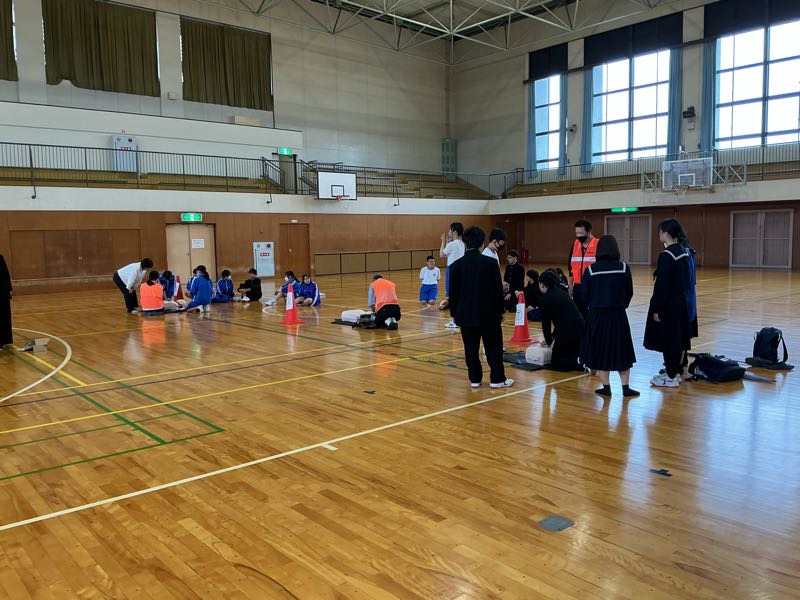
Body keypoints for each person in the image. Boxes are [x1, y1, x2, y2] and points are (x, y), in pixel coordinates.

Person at [448, 226, 513, 389]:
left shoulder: (456, 266)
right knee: (493, 348)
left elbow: (453, 294)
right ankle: (497, 379)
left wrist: (455, 314)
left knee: (470, 349)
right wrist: (501, 311)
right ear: (482, 243)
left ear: (465, 243)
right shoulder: (490, 263)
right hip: (488, 314)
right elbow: (497, 291)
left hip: (465, 315)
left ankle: (475, 379)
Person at [580, 235, 639, 398]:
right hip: (618, 315)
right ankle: (626, 388)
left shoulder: (591, 270)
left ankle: (606, 387)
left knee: (600, 351)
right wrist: (621, 306)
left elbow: (584, 295)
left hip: (597, 316)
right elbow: (629, 292)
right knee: (622, 351)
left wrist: (594, 305)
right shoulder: (624, 268)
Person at [645, 219, 693, 388]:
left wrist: (657, 308)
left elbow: (662, 285)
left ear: (666, 234)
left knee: (669, 340)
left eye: (660, 232)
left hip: (669, 305)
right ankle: (674, 372)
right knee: (677, 339)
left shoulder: (667, 255)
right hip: (681, 302)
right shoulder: (684, 251)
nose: (659, 235)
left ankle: (670, 376)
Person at [538, 270, 585, 372]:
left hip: (567, 331)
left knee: (556, 361)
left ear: (542, 284)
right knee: (570, 354)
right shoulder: (563, 294)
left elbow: (546, 324)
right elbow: (562, 318)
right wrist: (552, 337)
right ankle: (580, 361)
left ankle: (581, 362)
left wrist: (548, 341)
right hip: (581, 328)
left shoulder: (545, 299)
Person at [567, 219, 598, 319]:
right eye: (577, 233)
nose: (578, 235)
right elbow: (571, 267)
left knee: (591, 315)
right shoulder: (575, 244)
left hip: (593, 287)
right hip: (578, 287)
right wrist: (570, 284)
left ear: (589, 232)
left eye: (581, 233)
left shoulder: (598, 244)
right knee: (579, 315)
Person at [439, 222, 465, 315]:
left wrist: (443, 241)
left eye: (450, 230)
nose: (449, 232)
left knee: (451, 291)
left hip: (451, 269)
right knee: (457, 290)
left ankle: (453, 312)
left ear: (455, 232)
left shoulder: (453, 244)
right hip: (460, 269)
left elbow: (442, 254)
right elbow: (449, 254)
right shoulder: (462, 244)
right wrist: (447, 242)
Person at [0, 254, 12, 347]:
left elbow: (5, 274)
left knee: (3, 317)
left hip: (2, 292)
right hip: (3, 292)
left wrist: (9, 289)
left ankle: (3, 341)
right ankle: (4, 340)